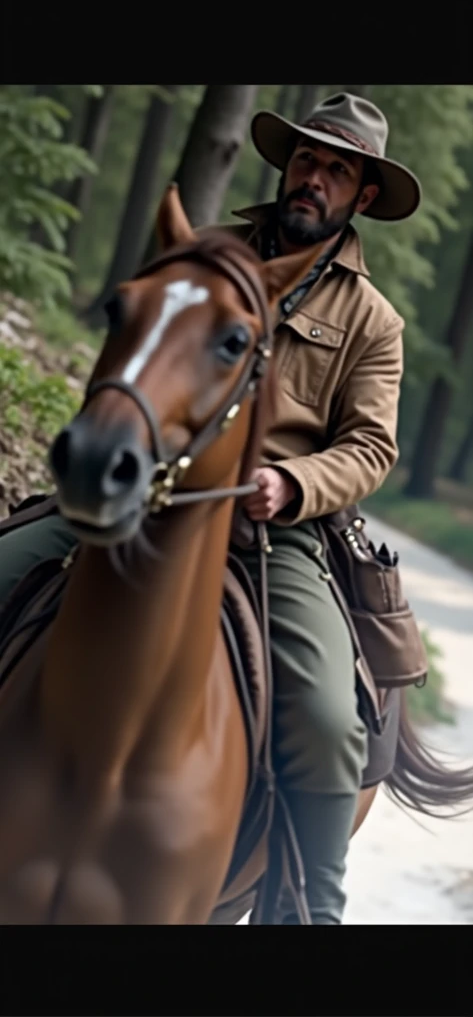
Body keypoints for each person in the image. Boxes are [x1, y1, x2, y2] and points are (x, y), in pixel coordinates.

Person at [0, 92, 421, 925]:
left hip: (273, 526)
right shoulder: (204, 256)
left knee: (332, 716)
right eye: (306, 158)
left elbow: (370, 449)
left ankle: (306, 910)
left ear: (362, 195)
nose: (314, 178)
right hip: (146, 490)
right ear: (284, 164)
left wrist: (292, 486)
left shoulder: (372, 321)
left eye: (337, 170)